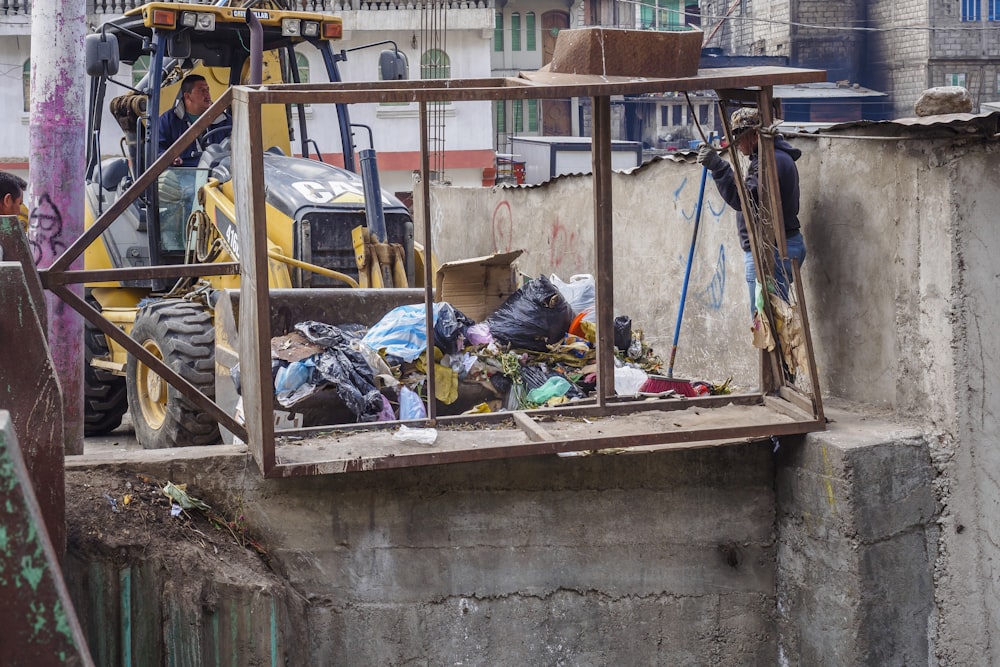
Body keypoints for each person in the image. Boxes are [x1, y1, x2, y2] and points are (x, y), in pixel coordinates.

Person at [696, 107, 805, 315]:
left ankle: (777, 350)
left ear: (754, 135)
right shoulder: (773, 158)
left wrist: (720, 168)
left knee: (768, 324)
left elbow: (744, 201)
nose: (736, 145)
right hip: (779, 246)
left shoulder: (770, 162)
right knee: (772, 320)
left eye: (738, 137)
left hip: (772, 251)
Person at [157, 74, 232, 166]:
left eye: (207, 89)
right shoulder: (168, 121)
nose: (207, 94)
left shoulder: (224, 120)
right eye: (202, 90)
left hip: (219, 176)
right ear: (187, 96)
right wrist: (169, 158)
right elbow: (157, 148)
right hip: (182, 175)